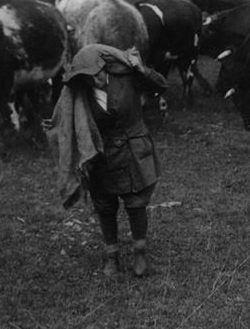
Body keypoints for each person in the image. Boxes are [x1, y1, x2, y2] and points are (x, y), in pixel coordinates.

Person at [48, 44, 168, 278]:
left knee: (136, 203)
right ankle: (111, 258)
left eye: (98, 74)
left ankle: (140, 257)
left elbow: (161, 85)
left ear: (106, 68)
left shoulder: (129, 77)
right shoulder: (78, 95)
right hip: (101, 155)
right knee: (104, 206)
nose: (96, 80)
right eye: (89, 78)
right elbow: (67, 122)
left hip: (134, 150)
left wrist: (142, 69)